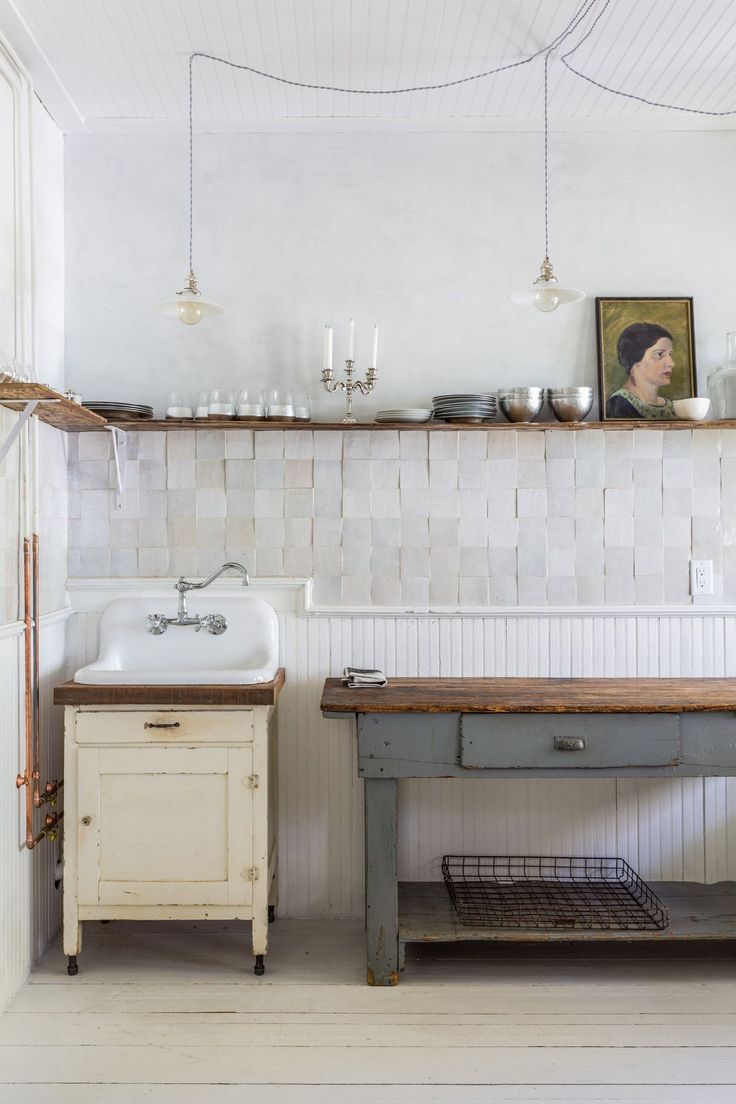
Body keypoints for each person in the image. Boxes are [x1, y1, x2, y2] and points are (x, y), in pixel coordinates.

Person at [606, 321, 676, 419]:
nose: (671, 363)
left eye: (670, 355)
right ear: (635, 359)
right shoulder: (619, 404)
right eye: (659, 354)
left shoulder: (668, 405)